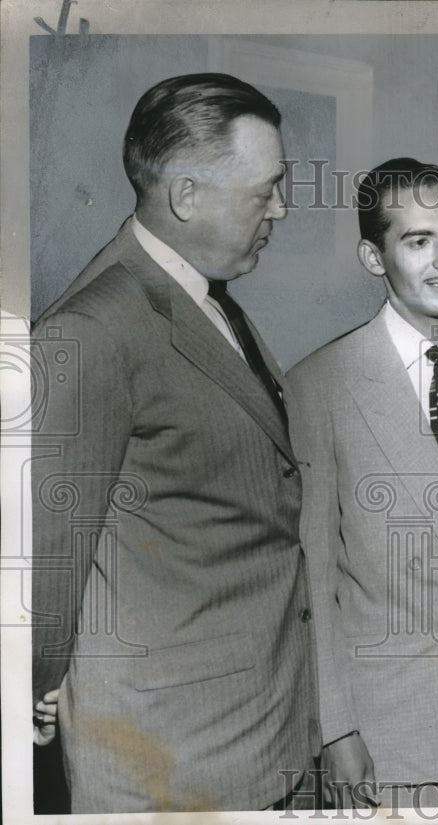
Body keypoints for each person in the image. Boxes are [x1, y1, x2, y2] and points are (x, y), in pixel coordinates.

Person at [31, 73, 321, 812]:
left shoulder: (202, 295)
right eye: (267, 190)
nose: (281, 210)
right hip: (171, 763)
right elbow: (40, 567)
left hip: (257, 732)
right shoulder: (90, 330)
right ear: (186, 196)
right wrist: (37, 684)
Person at [286, 158, 438, 812]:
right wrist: (335, 725)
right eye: (418, 241)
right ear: (374, 257)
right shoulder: (319, 384)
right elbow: (315, 575)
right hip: (385, 733)